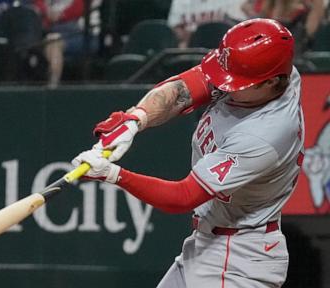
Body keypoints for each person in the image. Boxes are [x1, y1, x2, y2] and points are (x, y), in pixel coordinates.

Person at [72, 18, 305, 287]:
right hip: (209, 244)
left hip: (238, 258)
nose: (225, 86)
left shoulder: (265, 134)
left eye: (237, 84)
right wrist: (136, 119)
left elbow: (182, 197)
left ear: (273, 83)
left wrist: (113, 175)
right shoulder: (274, 71)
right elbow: (188, 86)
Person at [167, 0, 251, 48]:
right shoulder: (180, 1)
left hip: (224, 50)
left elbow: (239, 29)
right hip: (192, 51)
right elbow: (173, 30)